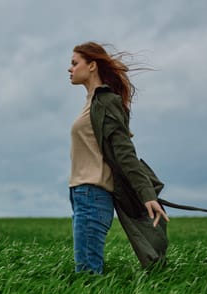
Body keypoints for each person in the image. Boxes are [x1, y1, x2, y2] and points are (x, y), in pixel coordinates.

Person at [68, 41, 169, 274]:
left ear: (92, 65)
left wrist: (147, 194)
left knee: (87, 273)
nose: (69, 68)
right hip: (81, 195)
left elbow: (125, 153)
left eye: (75, 63)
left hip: (92, 194)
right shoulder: (91, 103)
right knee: (85, 270)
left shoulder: (106, 102)